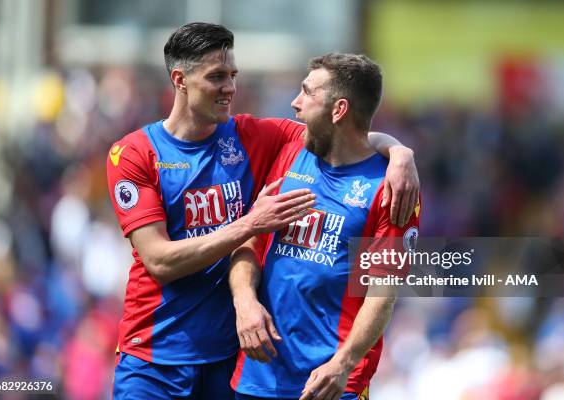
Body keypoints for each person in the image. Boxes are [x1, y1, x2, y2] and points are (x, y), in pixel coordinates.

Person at [106, 22, 418, 399]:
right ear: (180, 79)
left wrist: (400, 153)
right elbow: (159, 261)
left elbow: (344, 135)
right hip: (155, 355)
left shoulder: (255, 137)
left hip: (230, 358)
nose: (231, 88)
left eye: (233, 75)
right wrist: (250, 225)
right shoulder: (136, 154)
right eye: (217, 77)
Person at [229, 53, 421, 400]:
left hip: (330, 383)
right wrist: (244, 302)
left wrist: (344, 363)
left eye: (307, 92)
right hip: (259, 377)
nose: (295, 102)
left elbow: (381, 295)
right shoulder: (289, 153)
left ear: (338, 110)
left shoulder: (390, 189)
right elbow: (250, 243)